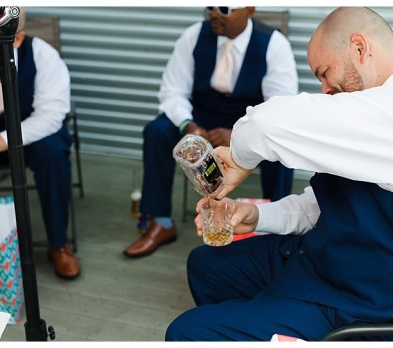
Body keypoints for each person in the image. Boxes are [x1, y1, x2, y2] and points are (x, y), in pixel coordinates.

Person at [165, 7, 393, 341]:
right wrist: (255, 215)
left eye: (325, 72)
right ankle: (260, 319)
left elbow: (265, 124)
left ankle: (264, 320)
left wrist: (238, 159)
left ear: (360, 49)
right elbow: (327, 202)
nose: (324, 89)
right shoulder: (379, 111)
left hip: (369, 301)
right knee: (207, 267)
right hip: (329, 263)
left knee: (186, 333)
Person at [125, 6, 299, 258]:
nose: (214, 14)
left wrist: (240, 133)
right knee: (157, 131)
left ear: (248, 9)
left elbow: (279, 104)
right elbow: (172, 91)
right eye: (210, 7)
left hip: (247, 118)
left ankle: (277, 230)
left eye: (224, 9)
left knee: (280, 142)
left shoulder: (274, 43)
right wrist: (189, 126)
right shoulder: (193, 36)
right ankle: (160, 222)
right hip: (200, 116)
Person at [0, 8, 79, 279]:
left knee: (54, 151)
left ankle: (58, 244)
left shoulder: (43, 56)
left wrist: (0, 141)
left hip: (26, 135)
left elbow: (51, 115)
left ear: (17, 38)